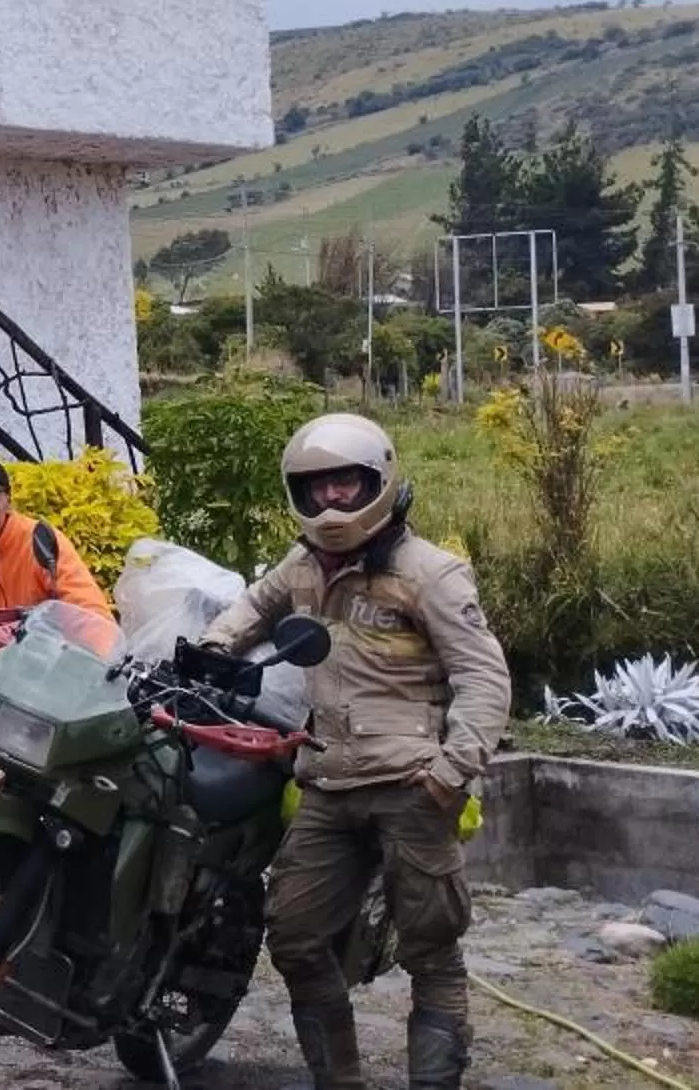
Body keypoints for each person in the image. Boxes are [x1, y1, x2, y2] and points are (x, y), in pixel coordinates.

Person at [195, 413, 512, 1090]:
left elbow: (484, 678)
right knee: (294, 935)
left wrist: (452, 772)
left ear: (379, 480)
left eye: (347, 482)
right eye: (319, 487)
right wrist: (211, 648)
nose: (334, 498)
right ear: (301, 495)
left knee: (432, 948)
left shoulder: (432, 574)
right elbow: (254, 604)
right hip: (327, 782)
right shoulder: (305, 566)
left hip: (412, 784)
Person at [0, 454, 115, 655]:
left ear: (8, 501)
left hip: (53, 672)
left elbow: (88, 611)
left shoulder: (40, 541)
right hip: (0, 680)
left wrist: (107, 660)